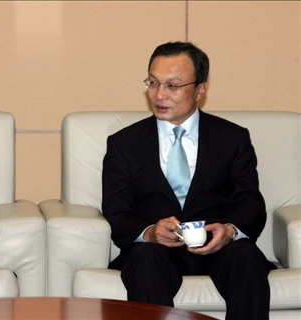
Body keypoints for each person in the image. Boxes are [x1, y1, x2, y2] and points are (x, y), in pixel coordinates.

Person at [102, 41, 273, 320]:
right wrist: (149, 232)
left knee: (246, 256)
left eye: (172, 85)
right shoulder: (124, 143)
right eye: (153, 83)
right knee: (144, 258)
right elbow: (116, 208)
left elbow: (249, 201)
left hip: (219, 246)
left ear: (200, 89)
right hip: (157, 251)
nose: (159, 94)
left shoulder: (232, 138)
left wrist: (229, 231)